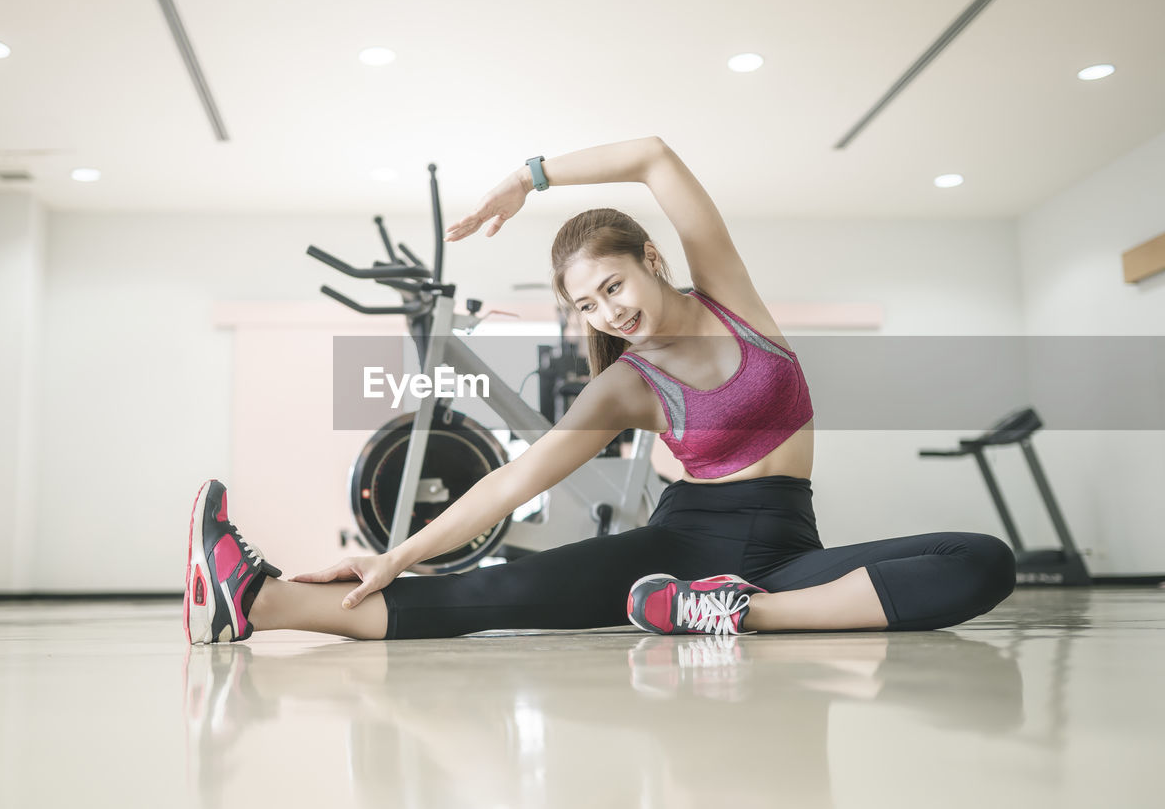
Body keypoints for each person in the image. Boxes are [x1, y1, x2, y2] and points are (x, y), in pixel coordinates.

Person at [184, 136, 1016, 645]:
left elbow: (653, 155)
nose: (609, 312)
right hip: (677, 551)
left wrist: (529, 177)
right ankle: (254, 596)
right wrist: (396, 553)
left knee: (980, 562)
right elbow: (514, 480)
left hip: (786, 557)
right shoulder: (628, 385)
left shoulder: (731, 297)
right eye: (587, 305)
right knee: (484, 596)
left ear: (650, 259)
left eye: (612, 287)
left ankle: (733, 616)